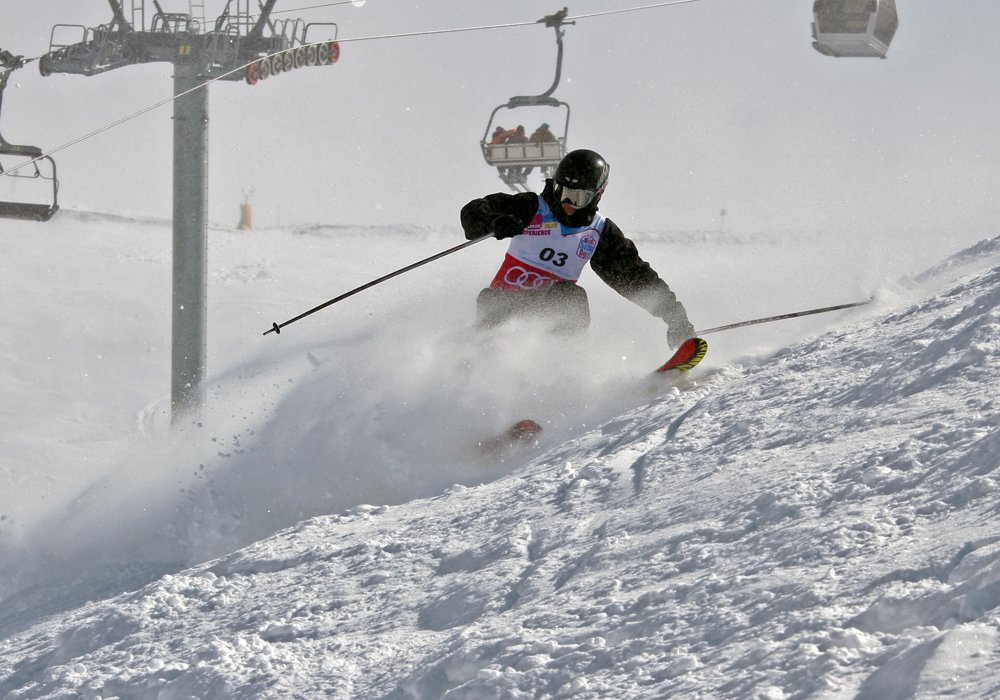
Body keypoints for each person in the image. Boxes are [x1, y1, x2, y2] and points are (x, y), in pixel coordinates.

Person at [460, 148, 695, 345]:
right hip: (502, 302)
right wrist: (495, 223)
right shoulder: (531, 206)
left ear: (596, 195)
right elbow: (475, 212)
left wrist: (675, 317)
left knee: (571, 297)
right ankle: (477, 354)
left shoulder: (598, 232)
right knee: (495, 305)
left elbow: (635, 277)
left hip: (548, 308)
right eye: (562, 192)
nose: (567, 203)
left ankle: (564, 367)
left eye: (578, 198)